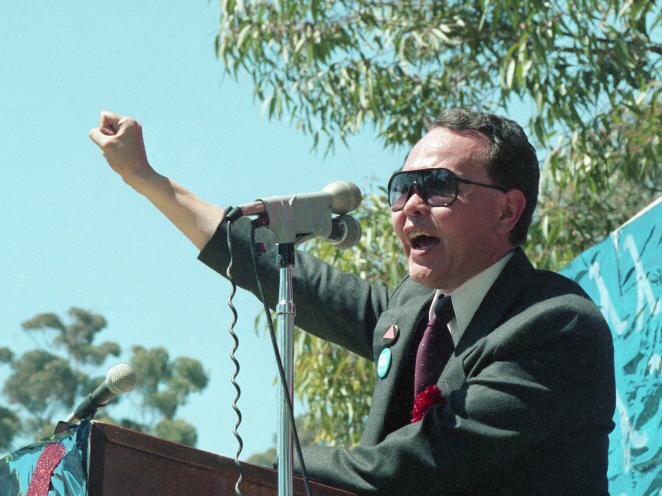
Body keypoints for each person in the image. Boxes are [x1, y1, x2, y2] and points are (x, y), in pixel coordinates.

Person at [90, 108, 616, 495]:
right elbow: (283, 273)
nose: (410, 206)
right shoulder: (415, 309)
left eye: (437, 187)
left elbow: (413, 466)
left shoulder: (554, 326)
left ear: (507, 211)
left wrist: (264, 474)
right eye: (402, 187)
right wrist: (147, 179)